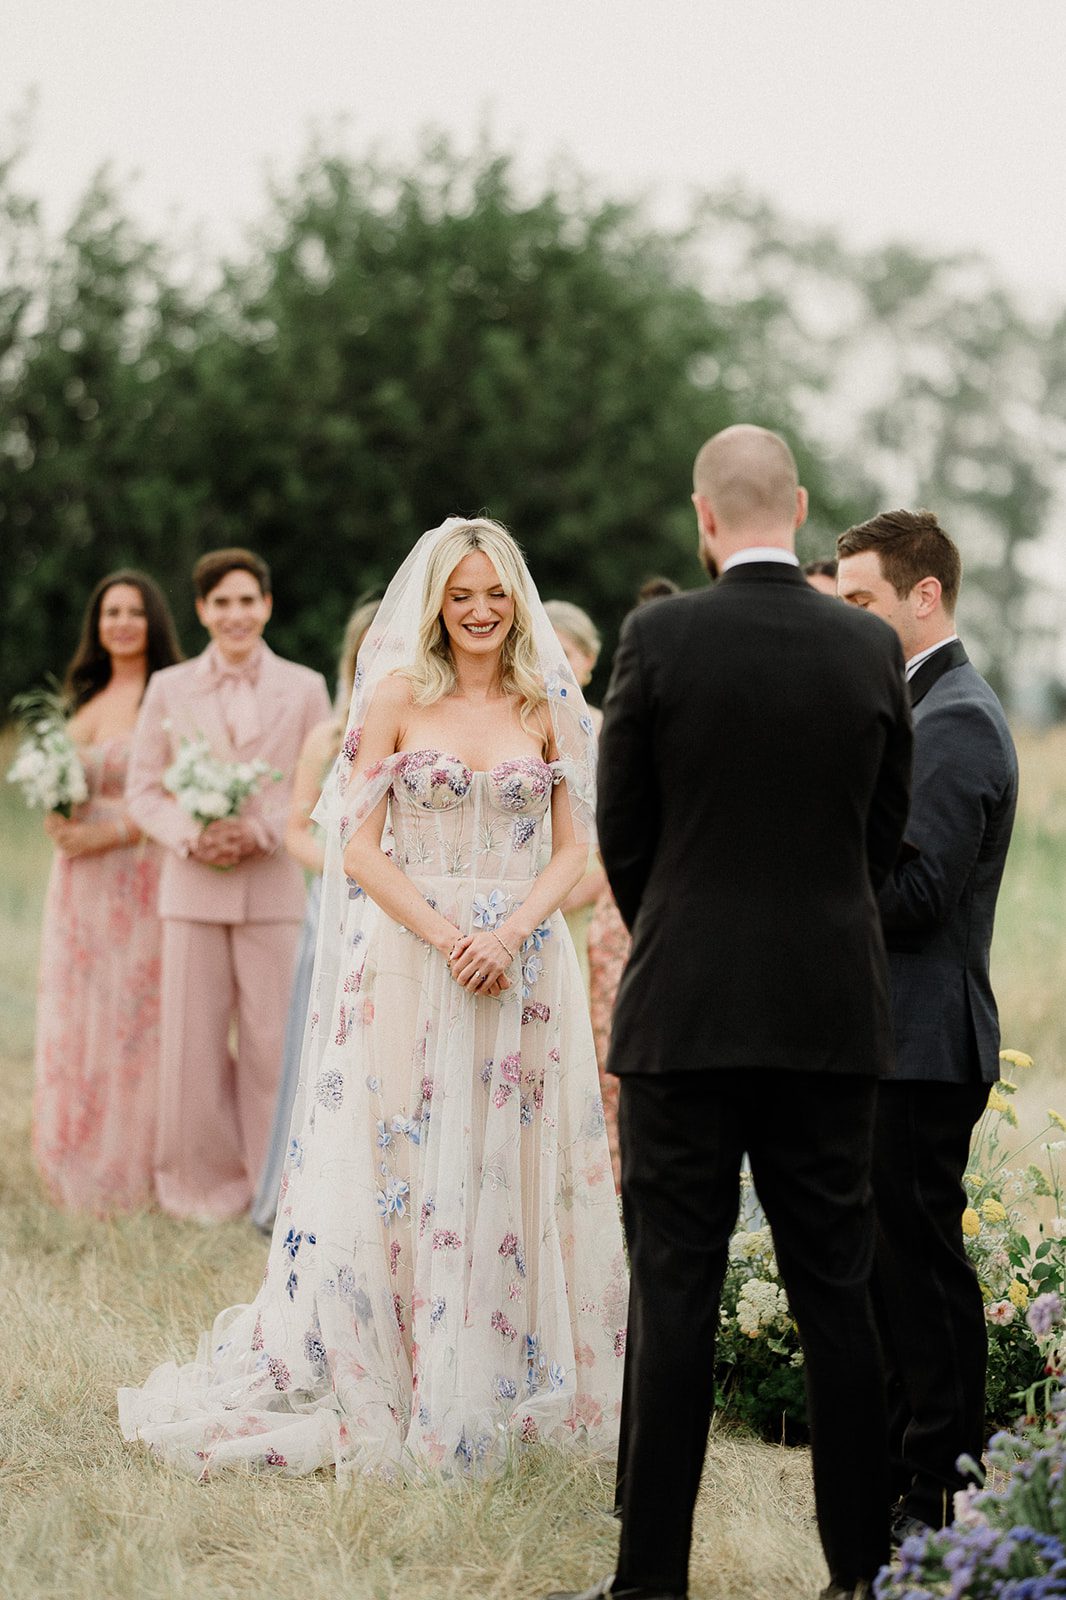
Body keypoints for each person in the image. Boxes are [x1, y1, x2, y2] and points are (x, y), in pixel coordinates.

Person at [119, 517, 627, 1478]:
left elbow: (575, 850)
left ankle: (505, 1367)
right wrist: (447, 938)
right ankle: (401, 1358)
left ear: (515, 598)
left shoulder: (545, 703)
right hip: (412, 959)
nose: (479, 611)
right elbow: (355, 848)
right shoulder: (394, 697)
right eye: (460, 594)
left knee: (509, 1157)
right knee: (407, 1151)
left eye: (494, 593)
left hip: (523, 964)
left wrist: (509, 933)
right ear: (434, 602)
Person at [551, 426, 913, 1600]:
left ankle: (649, 1581)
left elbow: (622, 831)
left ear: (702, 517)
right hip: (826, 1020)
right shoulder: (869, 648)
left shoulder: (658, 637)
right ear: (798, 507)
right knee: (836, 1299)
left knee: (674, 1293)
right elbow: (881, 836)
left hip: (685, 1017)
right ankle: (859, 1574)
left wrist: (687, 926)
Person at [836, 509, 1018, 1543]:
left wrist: (816, 840)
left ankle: (944, 1483)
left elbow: (918, 892)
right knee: (890, 1266)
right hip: (889, 1036)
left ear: (924, 595)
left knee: (919, 1271)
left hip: (922, 1040)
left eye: (861, 601)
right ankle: (916, 1467)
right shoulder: (915, 703)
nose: (849, 618)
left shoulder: (953, 717)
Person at [126, 549, 331, 1220]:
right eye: (221, 602)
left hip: (272, 888)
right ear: (201, 611)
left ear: (267, 605)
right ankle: (198, 1187)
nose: (235, 614)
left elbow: (322, 783)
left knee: (276, 1043)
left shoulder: (304, 687)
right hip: (191, 889)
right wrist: (193, 831)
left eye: (247, 601)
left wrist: (263, 830)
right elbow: (143, 789)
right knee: (192, 1045)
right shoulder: (168, 687)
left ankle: (277, 1187)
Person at [33, 571, 182, 1212]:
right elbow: (62, 782)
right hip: (77, 885)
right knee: (80, 1004)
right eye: (110, 612)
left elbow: (179, 790)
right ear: (97, 625)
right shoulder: (83, 697)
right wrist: (55, 814)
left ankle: (134, 1161)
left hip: (137, 874)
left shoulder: (169, 696)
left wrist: (113, 832)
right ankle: (76, 1150)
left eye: (134, 611)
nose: (121, 622)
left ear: (153, 622)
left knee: (134, 1012)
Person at [250, 597, 380, 1234]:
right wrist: (350, 867)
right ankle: (303, 1194)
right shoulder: (327, 739)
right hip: (336, 909)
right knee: (323, 1048)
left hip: (403, 913)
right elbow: (294, 831)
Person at [587, 577, 680, 1193]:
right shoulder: (624, 720)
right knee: (606, 1060)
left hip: (664, 910)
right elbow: (613, 824)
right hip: (624, 910)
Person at [544, 599, 607, 991]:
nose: (552, 664)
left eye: (564, 653)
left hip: (594, 887)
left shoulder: (608, 730)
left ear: (588, 660)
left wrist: (587, 890)